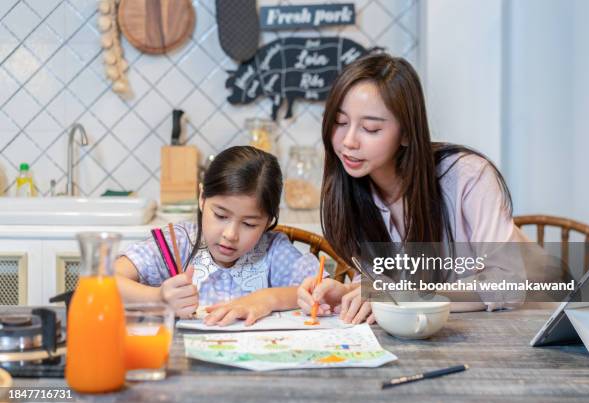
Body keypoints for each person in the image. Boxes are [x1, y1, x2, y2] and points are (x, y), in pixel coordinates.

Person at [297, 53, 527, 324]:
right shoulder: (352, 189)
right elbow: (382, 285)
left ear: (406, 133)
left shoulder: (468, 176)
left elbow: (508, 284)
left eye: (370, 128)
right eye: (340, 122)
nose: (348, 141)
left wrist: (404, 296)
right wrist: (348, 292)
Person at [114, 146, 319, 325]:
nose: (230, 235)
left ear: (268, 221)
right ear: (202, 198)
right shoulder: (179, 242)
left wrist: (267, 298)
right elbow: (103, 281)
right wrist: (158, 298)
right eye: (220, 215)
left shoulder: (273, 251)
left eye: (249, 224)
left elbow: (320, 290)